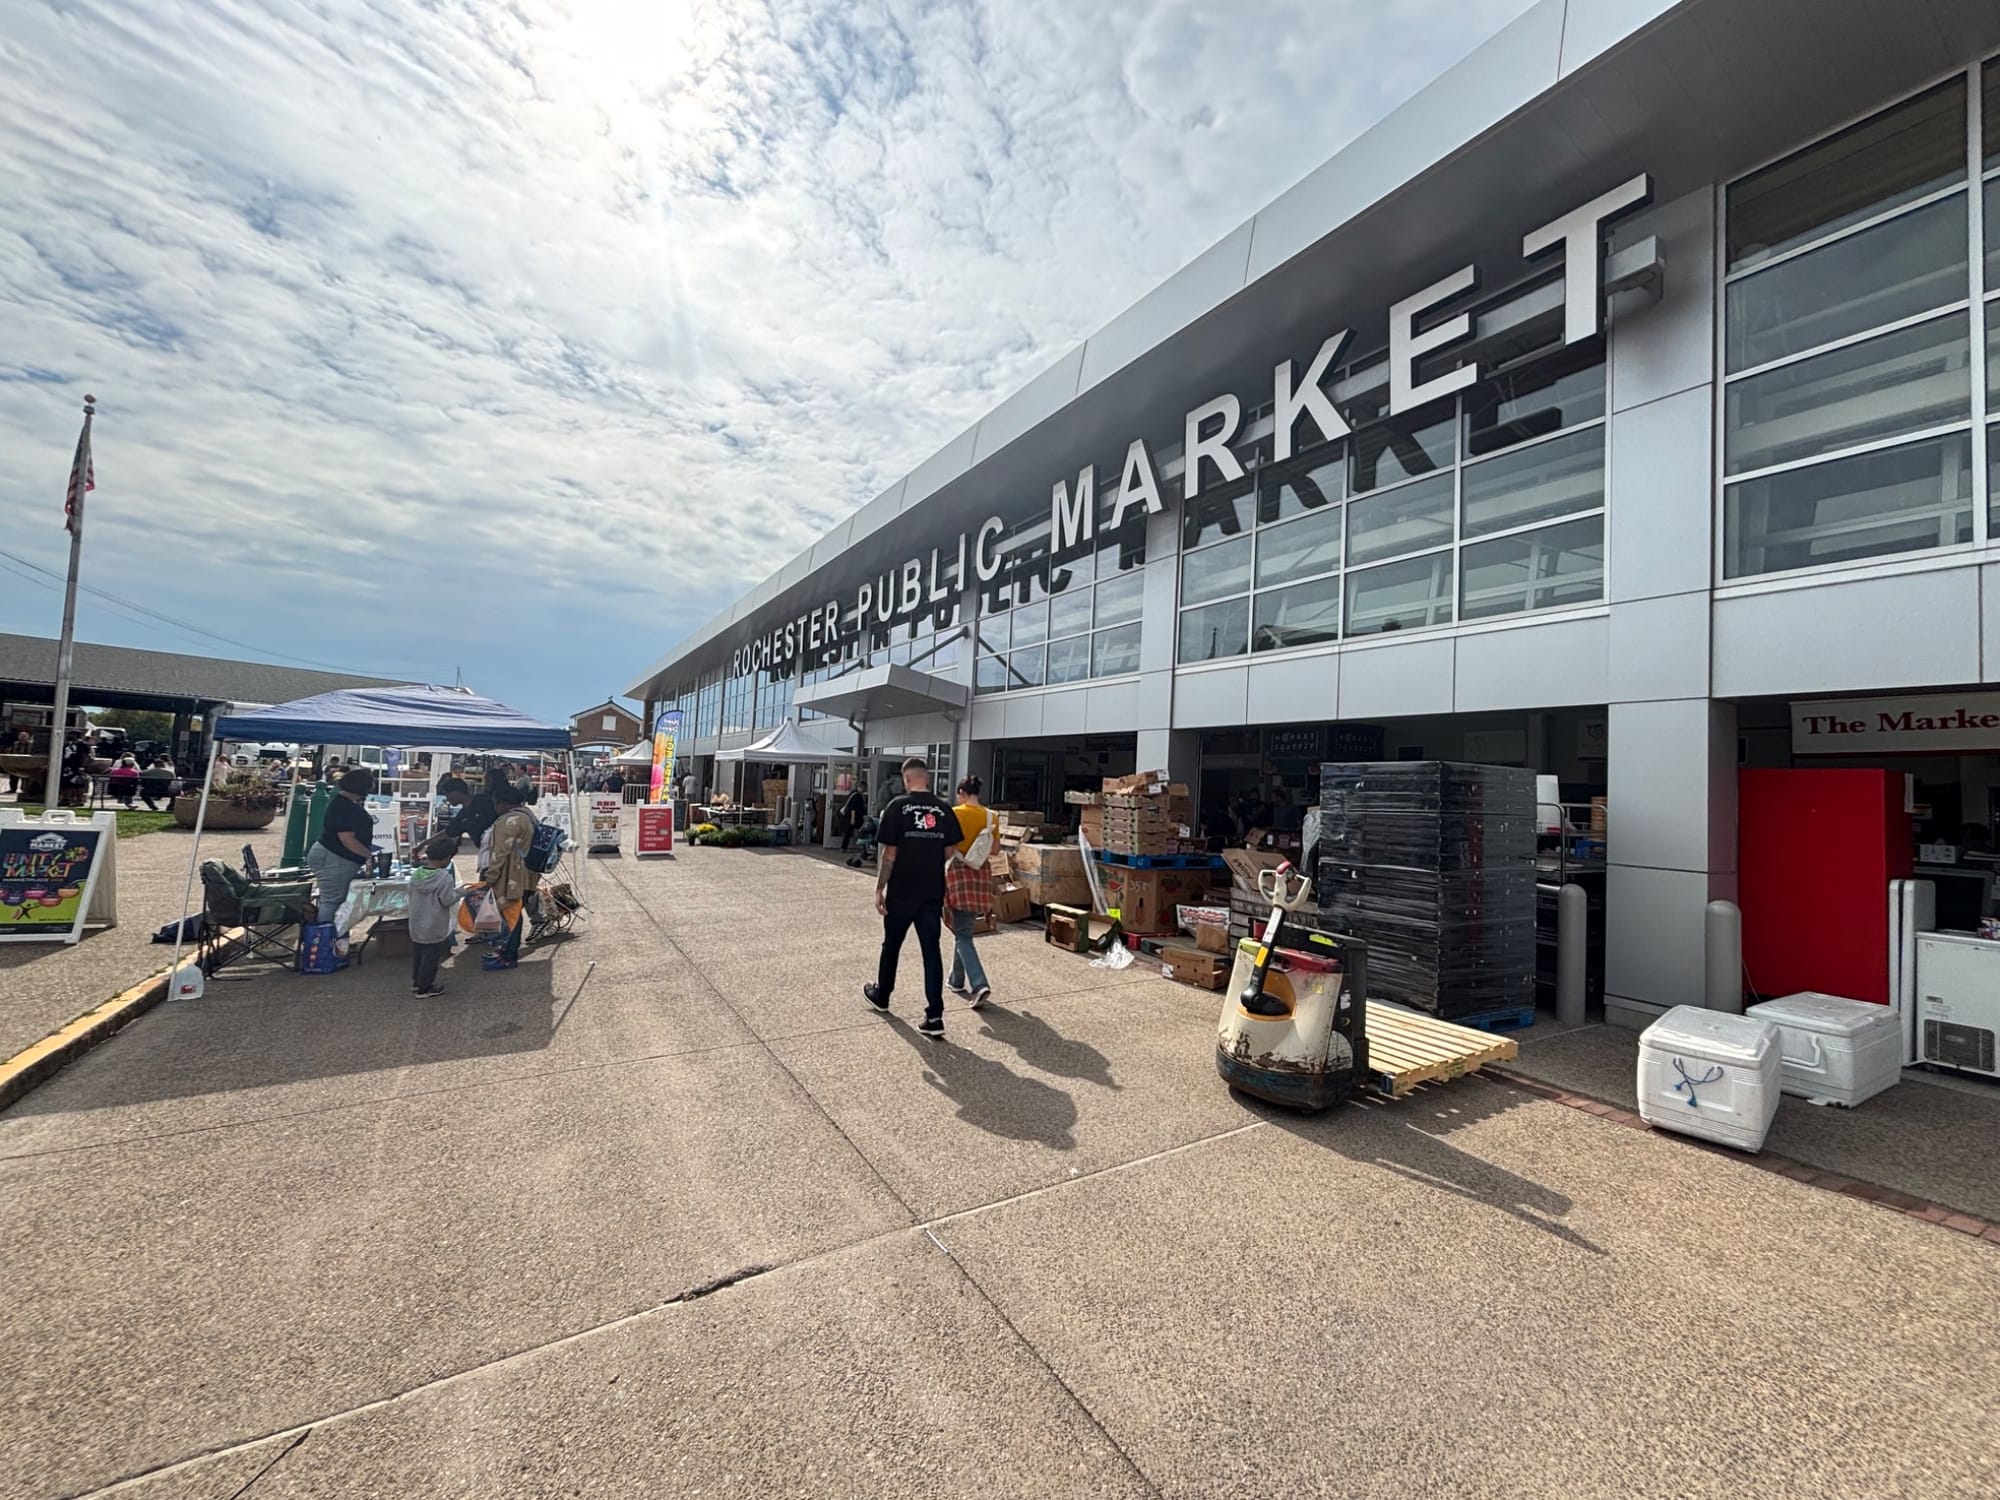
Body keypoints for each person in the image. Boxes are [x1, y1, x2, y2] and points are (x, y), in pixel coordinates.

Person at [862, 756, 955, 1039]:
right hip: (931, 893)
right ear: (927, 778)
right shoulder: (943, 808)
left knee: (891, 945)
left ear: (906, 779)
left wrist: (880, 888)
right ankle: (934, 1015)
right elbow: (951, 851)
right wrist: (930, 858)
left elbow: (889, 855)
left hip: (901, 892)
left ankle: (883, 993)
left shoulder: (897, 807)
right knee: (931, 952)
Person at [943, 775, 996, 1008]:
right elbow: (994, 850)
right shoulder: (990, 816)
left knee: (962, 932)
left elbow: (947, 848)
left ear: (962, 793)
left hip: (958, 872)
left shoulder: (954, 813)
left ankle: (979, 983)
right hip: (981, 873)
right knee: (963, 928)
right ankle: (956, 980)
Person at [480, 779, 541, 971]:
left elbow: (499, 853)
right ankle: (506, 951)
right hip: (526, 873)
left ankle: (508, 955)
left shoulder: (509, 820)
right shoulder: (527, 815)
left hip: (511, 876)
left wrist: (490, 876)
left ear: (501, 802)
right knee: (514, 911)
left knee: (510, 913)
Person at [306, 768, 376, 925]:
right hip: (336, 856)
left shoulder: (340, 803)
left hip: (329, 853)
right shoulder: (346, 808)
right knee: (332, 901)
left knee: (330, 900)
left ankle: (329, 938)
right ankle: (325, 939)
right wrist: (368, 855)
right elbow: (346, 839)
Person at [407, 835, 461, 997]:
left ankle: (417, 982)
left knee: (419, 954)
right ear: (446, 858)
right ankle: (425, 987)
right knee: (431, 957)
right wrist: (461, 892)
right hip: (434, 923)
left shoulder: (416, 874)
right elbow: (447, 900)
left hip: (416, 921)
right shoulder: (444, 877)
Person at [437, 773, 499, 853]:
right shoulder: (463, 814)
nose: (447, 799)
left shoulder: (484, 801)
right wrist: (422, 845)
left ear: (456, 792)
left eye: (447, 795)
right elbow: (448, 832)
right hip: (486, 851)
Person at [839, 784, 867, 852]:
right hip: (855, 817)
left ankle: (844, 847)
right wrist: (852, 818)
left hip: (852, 817)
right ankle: (862, 846)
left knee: (849, 832)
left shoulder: (853, 794)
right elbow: (853, 808)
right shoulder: (857, 796)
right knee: (861, 830)